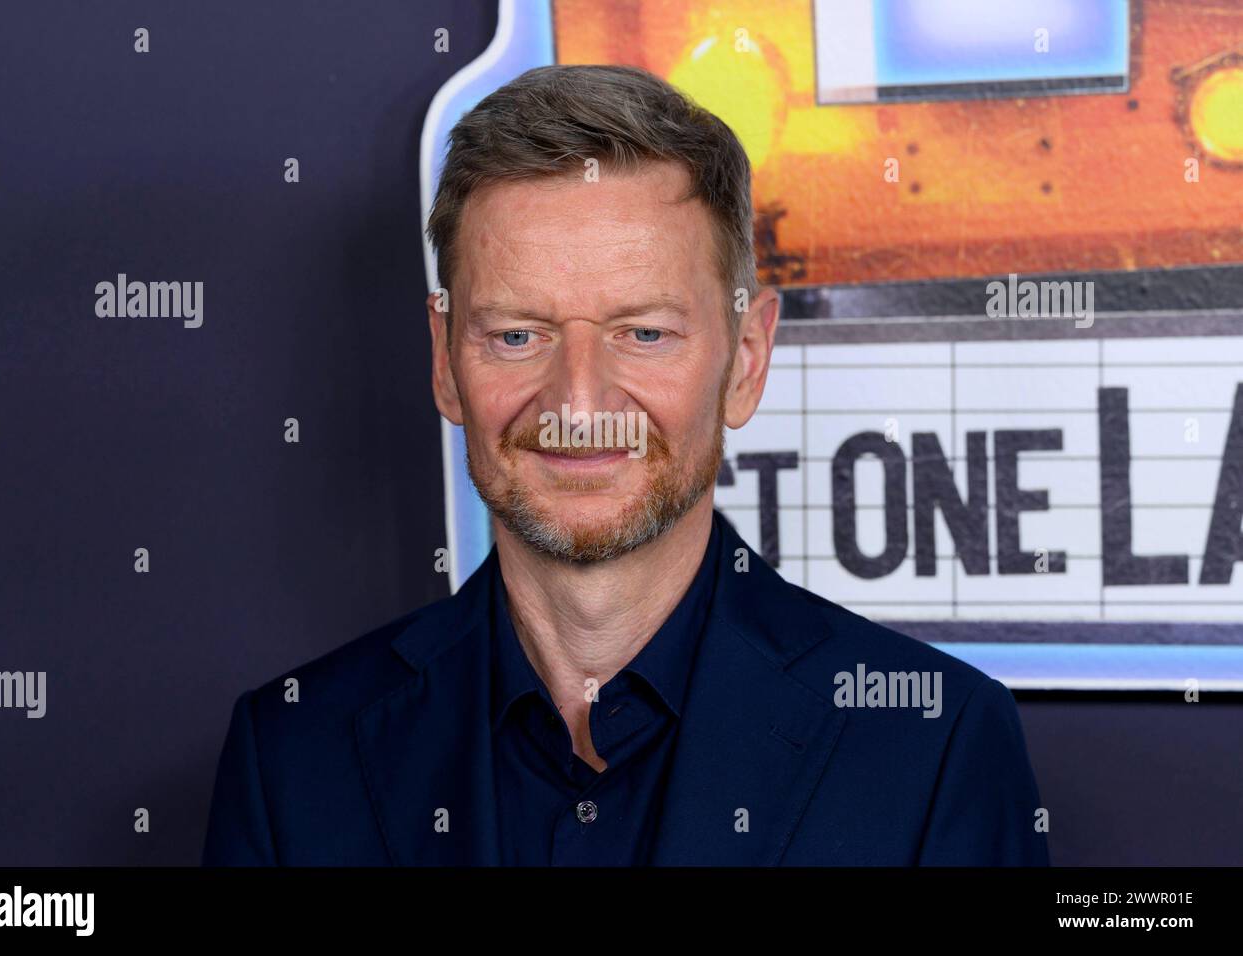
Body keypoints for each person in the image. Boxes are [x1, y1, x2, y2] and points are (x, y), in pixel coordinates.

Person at [202, 64, 1049, 866]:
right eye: (516, 335)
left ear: (746, 360)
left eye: (643, 333)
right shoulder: (293, 754)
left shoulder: (932, 746)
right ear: (444, 360)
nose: (577, 403)